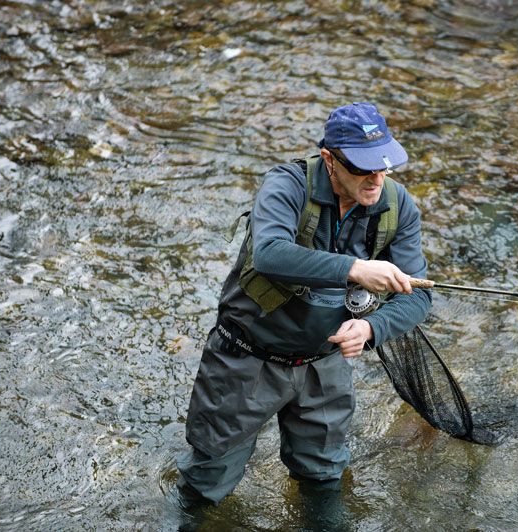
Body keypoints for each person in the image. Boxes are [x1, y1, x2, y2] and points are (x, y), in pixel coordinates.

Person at [176, 102, 432, 507]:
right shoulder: (287, 185)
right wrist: (355, 269)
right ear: (329, 159)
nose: (376, 178)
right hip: (246, 358)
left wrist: (371, 328)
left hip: (324, 365)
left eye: (384, 165)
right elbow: (270, 254)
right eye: (363, 167)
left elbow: (419, 295)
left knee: (325, 478)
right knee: (208, 481)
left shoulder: (397, 207)